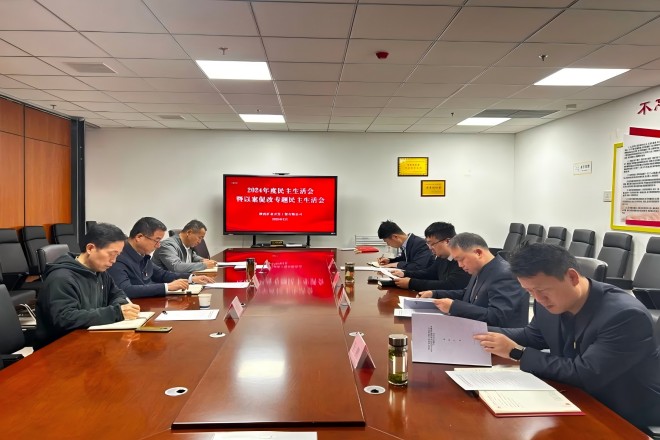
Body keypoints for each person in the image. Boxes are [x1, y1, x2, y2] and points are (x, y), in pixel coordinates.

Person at [474, 243, 660, 432]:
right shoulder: (549, 302)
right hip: (575, 396)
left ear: (572, 277)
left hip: (623, 411)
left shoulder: (625, 316)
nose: (538, 299)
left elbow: (585, 374)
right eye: (529, 291)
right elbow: (533, 336)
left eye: (542, 290)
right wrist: (479, 332)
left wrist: (517, 353)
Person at [34, 223, 140, 349]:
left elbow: (117, 294)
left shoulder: (100, 272)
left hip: (89, 341)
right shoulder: (61, 278)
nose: (114, 260)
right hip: (59, 348)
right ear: (90, 248)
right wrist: (116, 313)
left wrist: (122, 307)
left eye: (117, 255)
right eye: (111, 254)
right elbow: (64, 319)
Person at [418, 232, 528, 327]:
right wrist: (434, 293)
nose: (460, 265)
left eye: (461, 259)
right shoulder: (480, 268)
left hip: (497, 338)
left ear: (478, 253)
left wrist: (454, 307)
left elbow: (498, 317)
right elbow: (467, 294)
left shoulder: (505, 274)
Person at [107, 217, 214, 299]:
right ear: (139, 237)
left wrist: (191, 278)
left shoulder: (142, 254)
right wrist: (167, 287)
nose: (158, 245)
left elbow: (161, 274)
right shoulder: (117, 257)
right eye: (156, 240)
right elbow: (125, 289)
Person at [389, 222, 470, 291]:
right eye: (428, 244)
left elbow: (449, 285)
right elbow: (430, 273)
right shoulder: (442, 257)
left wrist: (411, 283)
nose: (430, 248)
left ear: (447, 241)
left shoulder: (462, 261)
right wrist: (405, 273)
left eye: (432, 244)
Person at [152, 219, 217, 272]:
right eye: (199, 237)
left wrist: (202, 260)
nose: (200, 242)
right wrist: (204, 265)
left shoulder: (187, 245)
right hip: (162, 283)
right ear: (189, 232)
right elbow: (176, 267)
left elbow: (192, 256)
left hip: (180, 280)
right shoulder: (167, 245)